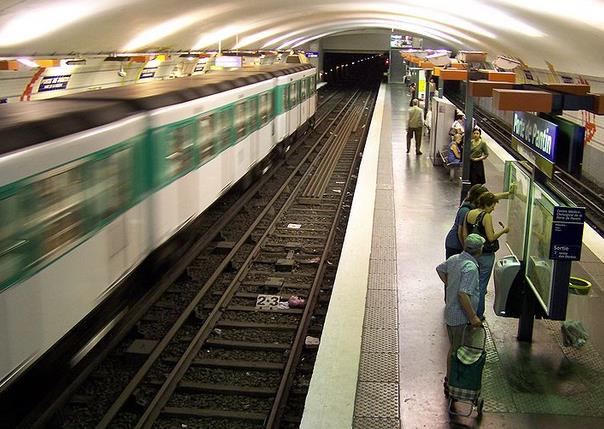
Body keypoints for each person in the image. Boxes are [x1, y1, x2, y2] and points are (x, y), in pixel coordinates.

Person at [436, 233, 484, 385]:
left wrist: (450, 283)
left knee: (454, 347)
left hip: (451, 313)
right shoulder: (470, 268)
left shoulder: (454, 259)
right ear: (478, 251)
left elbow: (439, 269)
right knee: (458, 351)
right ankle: (452, 382)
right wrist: (473, 317)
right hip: (460, 318)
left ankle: (451, 379)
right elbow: (463, 294)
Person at [462, 192, 510, 320]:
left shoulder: (469, 213)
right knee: (481, 285)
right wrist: (504, 230)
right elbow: (490, 237)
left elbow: (465, 234)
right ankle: (478, 314)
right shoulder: (486, 216)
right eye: (493, 206)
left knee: (470, 282)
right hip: (485, 254)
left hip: (472, 253)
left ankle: (467, 312)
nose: (493, 208)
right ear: (487, 204)